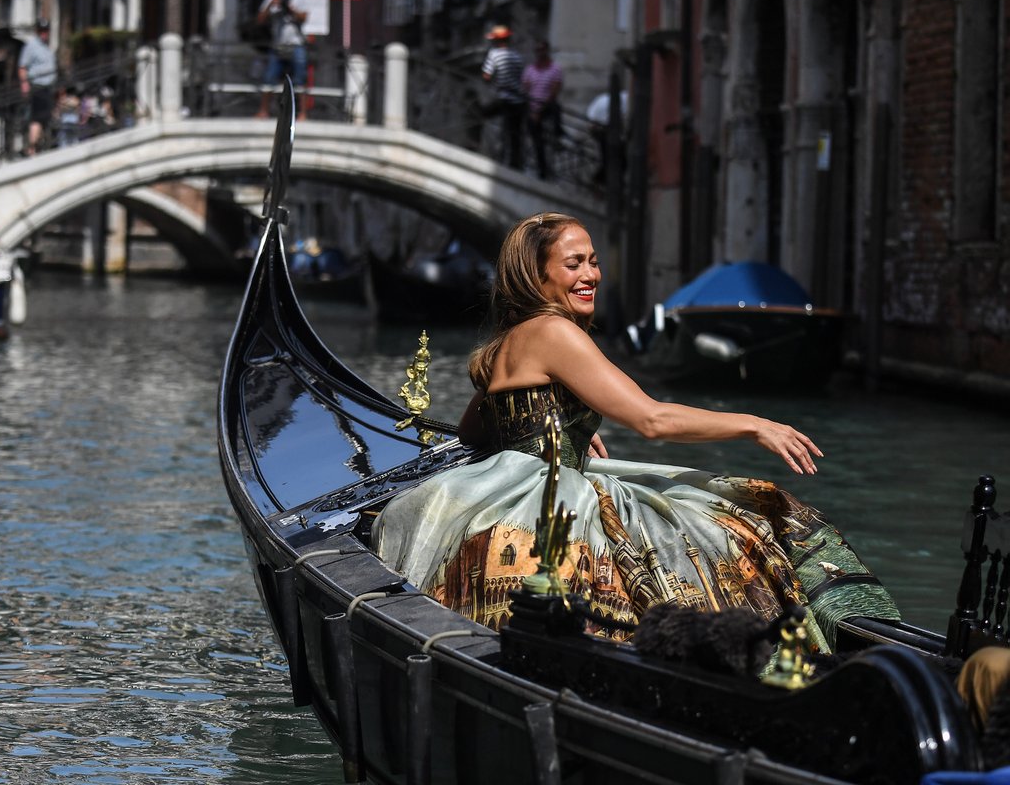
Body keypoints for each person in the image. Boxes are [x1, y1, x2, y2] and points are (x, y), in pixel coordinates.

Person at [371, 212, 901, 651]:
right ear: (537, 279)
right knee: (741, 517)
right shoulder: (555, 332)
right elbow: (652, 420)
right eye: (574, 263)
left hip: (505, 491)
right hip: (549, 503)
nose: (591, 275)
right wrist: (754, 425)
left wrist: (561, 427)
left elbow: (476, 432)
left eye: (594, 262)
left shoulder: (507, 342)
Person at [254, 0, 308, 121]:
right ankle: (263, 111)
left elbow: (304, 17)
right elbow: (260, 19)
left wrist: (290, 9)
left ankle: (302, 113)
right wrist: (271, 6)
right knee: (269, 77)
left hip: (295, 44)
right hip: (278, 45)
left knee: (300, 79)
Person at [481, 25, 526, 170]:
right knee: (515, 133)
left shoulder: (494, 54)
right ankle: (515, 164)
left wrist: (490, 80)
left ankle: (498, 157)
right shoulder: (517, 56)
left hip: (504, 98)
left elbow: (486, 75)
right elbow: (522, 78)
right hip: (518, 100)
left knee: (484, 113)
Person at [522, 40, 563, 179]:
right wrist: (533, 111)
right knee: (537, 141)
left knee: (556, 108)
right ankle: (542, 171)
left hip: (547, 107)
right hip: (532, 108)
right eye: (537, 50)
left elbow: (554, 91)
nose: (539, 53)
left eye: (542, 50)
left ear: (547, 50)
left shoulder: (555, 69)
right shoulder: (530, 70)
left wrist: (539, 111)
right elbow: (526, 91)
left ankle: (558, 136)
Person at [18, 18, 58, 156]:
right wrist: (24, 84)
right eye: (41, 31)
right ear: (37, 31)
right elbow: (22, 67)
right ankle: (31, 148)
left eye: (46, 31)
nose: (44, 34)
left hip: (47, 87)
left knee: (46, 117)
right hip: (38, 86)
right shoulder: (31, 46)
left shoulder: (46, 47)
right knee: (38, 117)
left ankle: (39, 146)